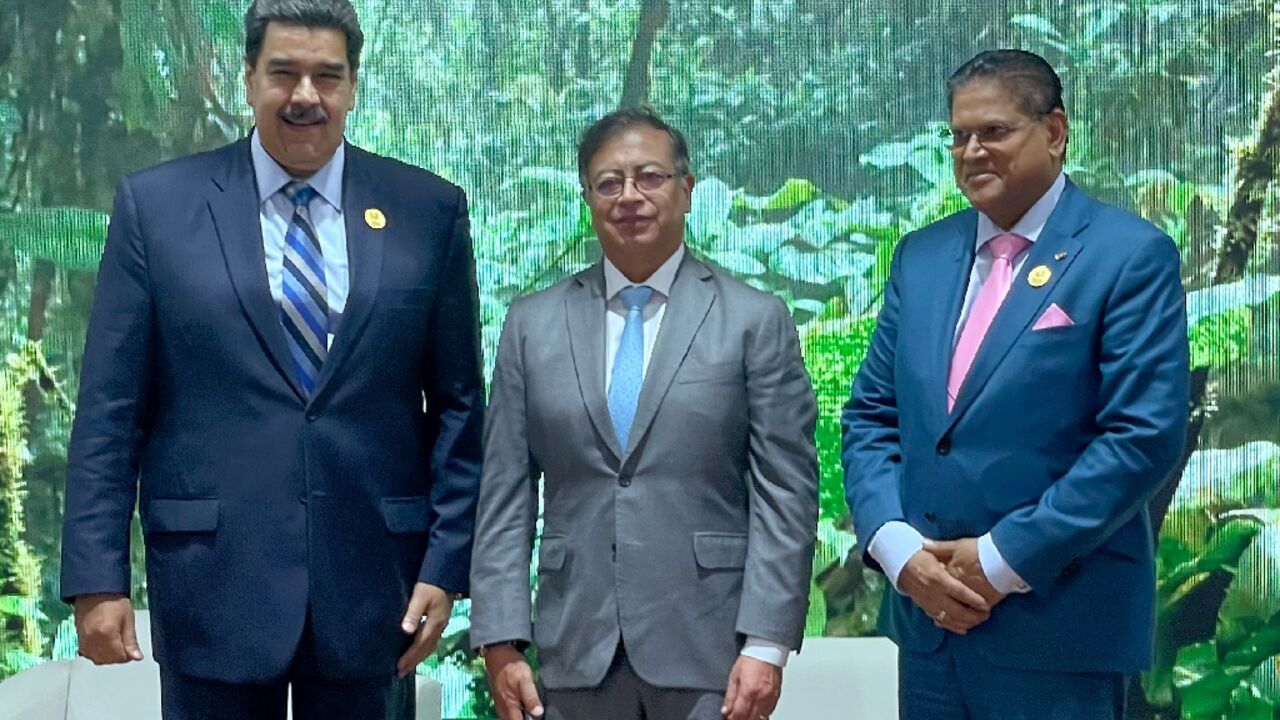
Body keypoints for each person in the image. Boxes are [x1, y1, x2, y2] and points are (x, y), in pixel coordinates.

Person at [59, 1, 485, 717]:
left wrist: (446, 564)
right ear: (248, 77)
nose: (306, 96)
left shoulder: (426, 210)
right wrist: (98, 580)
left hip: (373, 591)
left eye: (328, 75)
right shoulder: (157, 207)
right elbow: (110, 409)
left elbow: (459, 408)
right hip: (212, 585)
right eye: (284, 73)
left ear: (353, 86)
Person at [842, 49, 1189, 719]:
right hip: (929, 631)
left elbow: (1141, 437)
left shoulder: (1129, 255)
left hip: (1057, 629)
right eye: (959, 136)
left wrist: (1002, 559)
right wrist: (896, 548)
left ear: (1055, 132)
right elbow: (871, 417)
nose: (972, 151)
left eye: (994, 131)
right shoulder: (922, 256)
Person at [469, 106, 819, 720]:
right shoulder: (531, 324)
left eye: (650, 177)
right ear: (588, 197)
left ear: (686, 191)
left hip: (711, 650)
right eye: (609, 182)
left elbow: (786, 494)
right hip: (574, 647)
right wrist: (500, 639)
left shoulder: (753, 319)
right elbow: (504, 494)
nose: (629, 196)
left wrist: (767, 643)